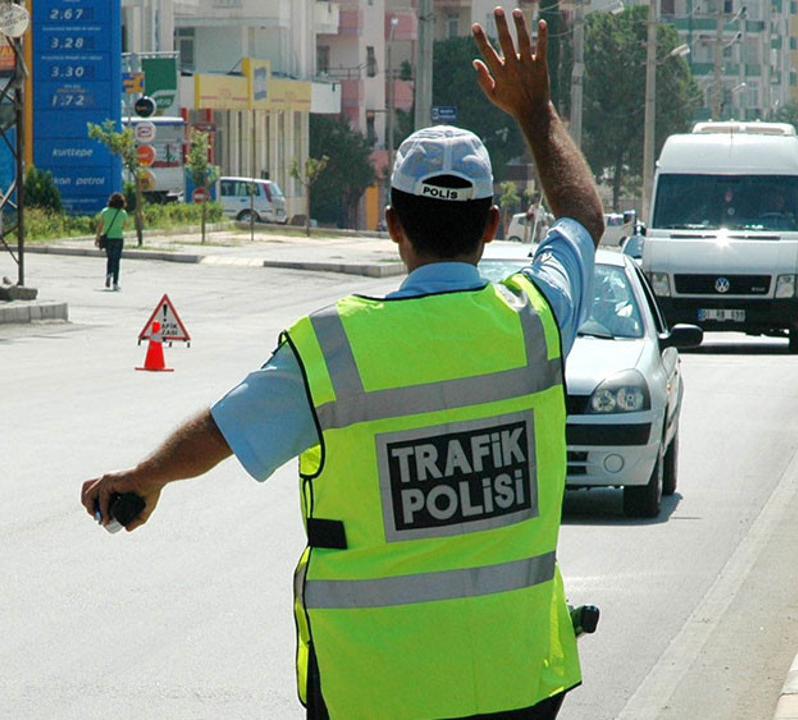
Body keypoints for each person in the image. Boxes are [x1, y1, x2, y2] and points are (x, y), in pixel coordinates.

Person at [82, 8, 603, 719]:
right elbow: (582, 220)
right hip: (518, 683)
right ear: (492, 225)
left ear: (393, 226)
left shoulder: (333, 349)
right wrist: (536, 112)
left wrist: (145, 478)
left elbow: (226, 430)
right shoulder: (538, 318)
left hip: (374, 690)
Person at [95, 192, 129, 291]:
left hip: (108, 239)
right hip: (118, 238)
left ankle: (109, 274)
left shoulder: (105, 212)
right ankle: (115, 283)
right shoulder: (123, 213)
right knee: (116, 260)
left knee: (110, 258)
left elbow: (100, 226)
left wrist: (97, 238)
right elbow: (124, 226)